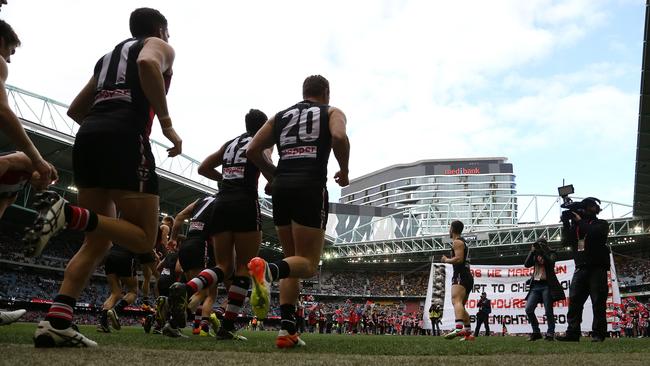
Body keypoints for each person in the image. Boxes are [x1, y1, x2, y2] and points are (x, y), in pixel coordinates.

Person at [28, 8, 181, 348]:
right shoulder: (157, 45)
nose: (168, 39)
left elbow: (75, 109)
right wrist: (167, 124)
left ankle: (57, 319)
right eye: (167, 33)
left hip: (90, 135)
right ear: (159, 29)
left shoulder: (108, 57)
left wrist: (103, 129)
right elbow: (147, 64)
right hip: (126, 135)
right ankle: (68, 214)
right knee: (143, 239)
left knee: (96, 240)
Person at [245, 75, 350, 348]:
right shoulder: (332, 111)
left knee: (292, 260)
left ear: (304, 92)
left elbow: (253, 148)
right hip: (310, 187)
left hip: (283, 190)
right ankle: (267, 270)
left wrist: (274, 176)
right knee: (308, 264)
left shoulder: (280, 115)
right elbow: (339, 136)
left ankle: (287, 329)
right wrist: (345, 169)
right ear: (326, 92)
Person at [168, 109, 271, 341]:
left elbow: (203, 167)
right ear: (264, 126)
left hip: (221, 203)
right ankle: (227, 327)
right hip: (245, 202)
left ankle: (188, 288)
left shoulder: (230, 144)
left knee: (224, 266)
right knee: (244, 267)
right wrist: (274, 180)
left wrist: (224, 180)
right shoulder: (262, 142)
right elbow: (265, 166)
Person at [0, 20, 55, 203]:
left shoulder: (16, 188)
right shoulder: (25, 162)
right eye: (10, 51)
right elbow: (2, 111)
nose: (9, 59)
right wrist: (37, 159)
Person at [556, 198, 610, 342]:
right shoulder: (578, 227)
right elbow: (565, 241)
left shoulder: (601, 224)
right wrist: (566, 223)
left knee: (598, 302)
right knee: (574, 301)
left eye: (584, 209)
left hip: (597, 268)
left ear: (592, 209)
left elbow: (594, 233)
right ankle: (572, 332)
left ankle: (598, 333)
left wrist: (580, 221)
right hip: (581, 268)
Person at [168, 196, 220, 337]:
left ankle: (173, 324)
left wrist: (173, 238)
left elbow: (179, 216)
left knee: (195, 290)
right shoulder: (224, 201)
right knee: (203, 292)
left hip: (186, 245)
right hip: (201, 245)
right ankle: (173, 323)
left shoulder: (202, 200)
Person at [523, 238, 565, 341]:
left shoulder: (552, 253)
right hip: (536, 286)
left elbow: (550, 263)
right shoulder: (535, 254)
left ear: (546, 245)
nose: (539, 246)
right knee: (529, 309)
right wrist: (532, 252)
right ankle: (536, 332)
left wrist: (542, 252)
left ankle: (550, 333)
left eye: (541, 244)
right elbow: (526, 264)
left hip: (547, 285)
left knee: (548, 310)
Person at [442, 220, 474, 341]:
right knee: (461, 305)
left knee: (456, 301)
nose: (448, 231)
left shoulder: (457, 242)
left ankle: (458, 327)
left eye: (449, 228)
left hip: (460, 274)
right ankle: (468, 333)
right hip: (467, 275)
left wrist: (446, 260)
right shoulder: (463, 242)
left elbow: (459, 259)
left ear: (452, 229)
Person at [96, 244, 138, 333]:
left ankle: (102, 323)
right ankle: (116, 310)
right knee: (133, 291)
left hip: (110, 256)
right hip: (126, 256)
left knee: (115, 293)